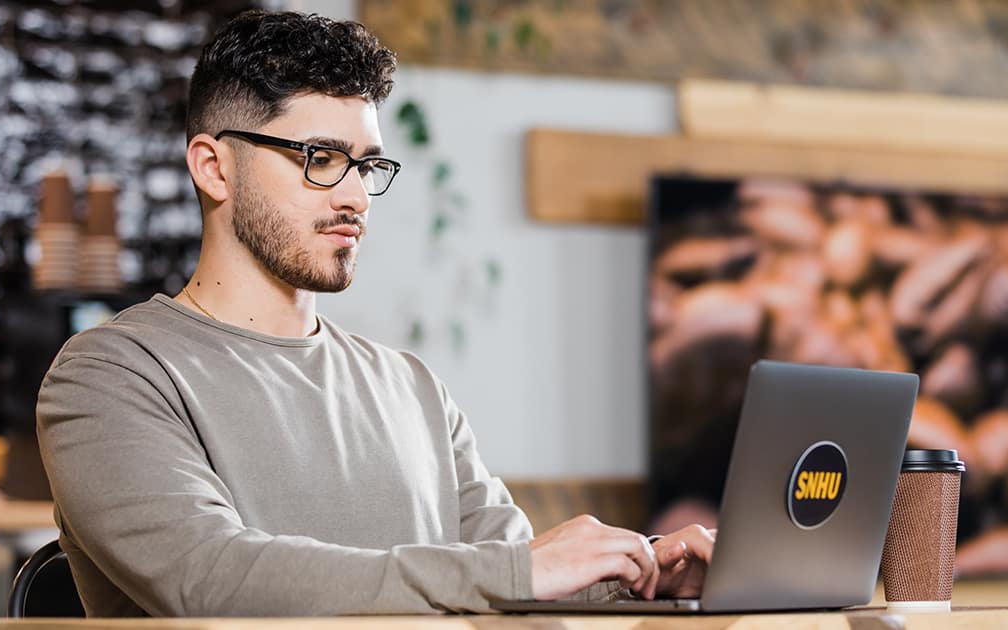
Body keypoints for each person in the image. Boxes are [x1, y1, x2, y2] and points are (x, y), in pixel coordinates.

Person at [36, 10, 713, 617]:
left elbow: (509, 574)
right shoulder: (110, 375)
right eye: (321, 159)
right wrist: (517, 570)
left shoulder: (410, 385)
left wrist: (644, 574)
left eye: (368, 164)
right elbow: (211, 579)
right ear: (214, 168)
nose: (358, 195)